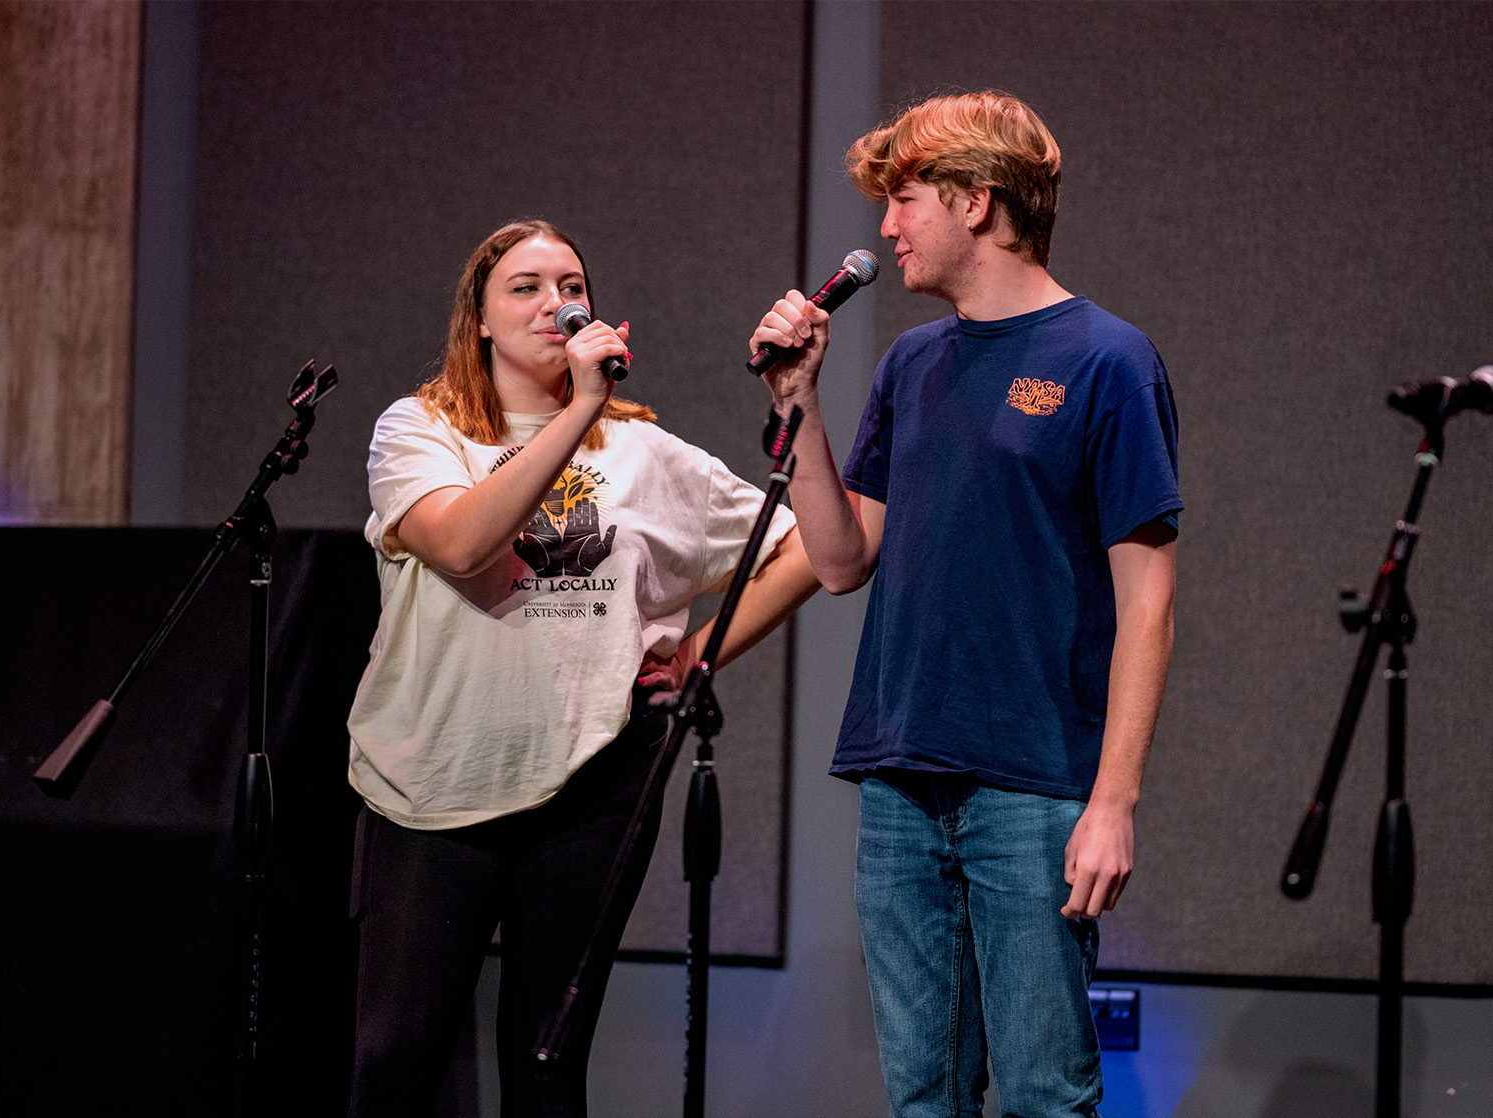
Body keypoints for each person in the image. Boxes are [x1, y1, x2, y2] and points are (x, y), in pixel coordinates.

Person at [750, 92, 1181, 1117]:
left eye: (902, 201)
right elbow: (844, 556)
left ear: (978, 201)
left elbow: (1149, 603)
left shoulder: (1107, 359)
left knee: (1043, 1094)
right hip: (902, 774)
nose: (887, 229)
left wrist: (1112, 801)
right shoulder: (912, 362)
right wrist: (797, 405)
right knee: (924, 1098)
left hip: (1032, 786)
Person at [346, 219, 817, 1117]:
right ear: (478, 319)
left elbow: (795, 547)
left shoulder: (644, 452)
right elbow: (463, 543)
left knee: (549, 1059)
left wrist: (700, 652)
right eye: (524, 287)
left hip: (591, 783)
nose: (554, 302)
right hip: (434, 780)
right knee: (397, 1049)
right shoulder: (420, 430)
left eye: (571, 286)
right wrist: (575, 413)